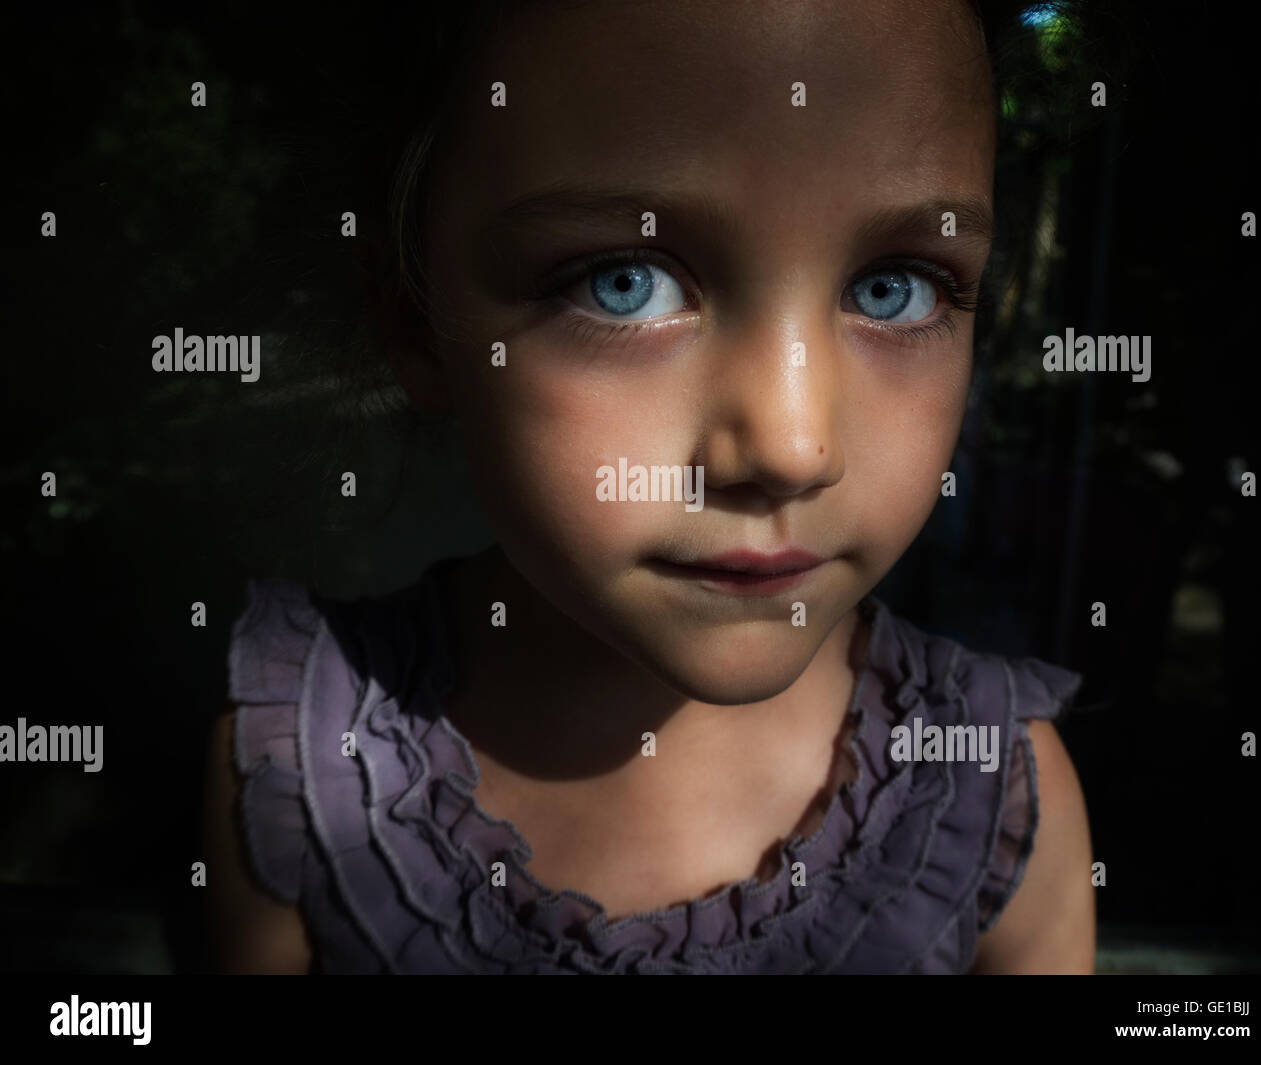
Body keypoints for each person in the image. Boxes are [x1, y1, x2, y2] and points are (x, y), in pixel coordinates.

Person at [203, 0, 1094, 974]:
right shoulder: (298, 773)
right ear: (415, 320)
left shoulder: (994, 796)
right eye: (622, 281)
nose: (790, 448)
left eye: (897, 287)